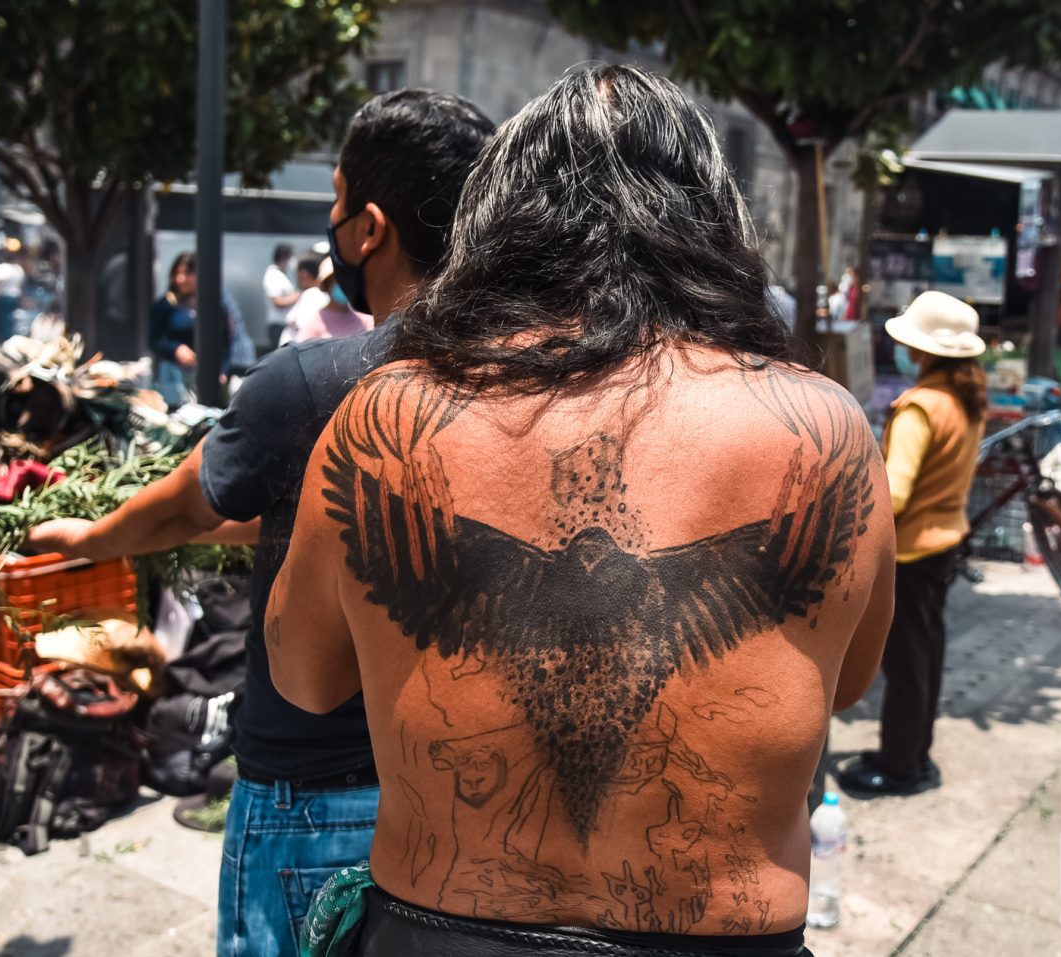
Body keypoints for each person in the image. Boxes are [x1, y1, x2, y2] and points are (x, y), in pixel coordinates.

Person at [266, 66, 893, 956]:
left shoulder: (391, 414)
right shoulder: (824, 431)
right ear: (714, 220)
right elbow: (852, 674)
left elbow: (305, 677)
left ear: (497, 224)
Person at [28, 89, 495, 955]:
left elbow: (179, 503)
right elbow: (345, 527)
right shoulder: (519, 383)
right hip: (463, 791)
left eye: (336, 197)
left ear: (370, 226)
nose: (332, 219)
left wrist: (88, 537)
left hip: (314, 795)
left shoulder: (313, 381)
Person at [838, 290, 987, 798]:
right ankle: (914, 752)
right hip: (945, 545)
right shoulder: (966, 402)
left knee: (904, 665)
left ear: (921, 350)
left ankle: (900, 768)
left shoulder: (920, 407)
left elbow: (894, 492)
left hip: (911, 553)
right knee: (926, 656)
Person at [149, 252, 201, 408]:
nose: (181, 279)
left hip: (199, 373)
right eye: (177, 273)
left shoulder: (208, 303)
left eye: (187, 273)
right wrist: (176, 349)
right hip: (173, 373)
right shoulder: (165, 304)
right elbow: (153, 341)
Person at [286, 258, 372, 343]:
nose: (345, 285)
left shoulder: (366, 320)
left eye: (348, 280)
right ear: (327, 285)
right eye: (339, 281)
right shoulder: (314, 324)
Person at [0, 245, 26, 342]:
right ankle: (9, 338)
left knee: (4, 320)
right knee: (11, 320)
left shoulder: (1, 268)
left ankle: (6, 340)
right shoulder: (18, 269)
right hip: (15, 297)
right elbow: (21, 286)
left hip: (4, 297)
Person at [264, 243, 299, 346]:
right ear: (284, 258)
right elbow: (276, 302)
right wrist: (296, 297)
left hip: (285, 326)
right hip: (278, 326)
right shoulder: (273, 275)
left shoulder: (283, 274)